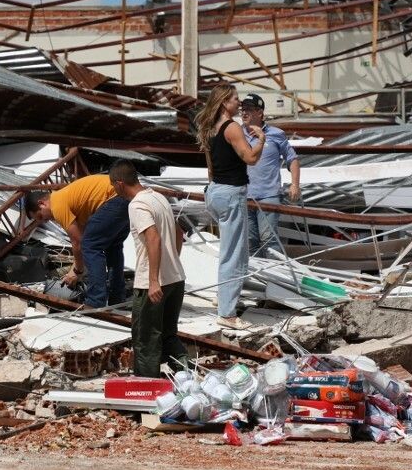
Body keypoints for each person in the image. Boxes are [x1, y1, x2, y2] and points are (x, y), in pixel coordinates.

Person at [195, 83, 265, 330]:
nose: (239, 103)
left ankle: (225, 299)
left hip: (215, 191)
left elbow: (211, 168)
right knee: (233, 256)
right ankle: (227, 313)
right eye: (235, 99)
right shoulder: (232, 127)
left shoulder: (210, 128)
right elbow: (251, 158)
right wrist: (261, 140)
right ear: (225, 102)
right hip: (232, 192)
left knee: (233, 253)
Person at [110, 160, 187, 378]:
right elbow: (179, 233)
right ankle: (188, 375)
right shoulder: (159, 197)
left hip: (151, 285)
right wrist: (171, 261)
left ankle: (147, 389)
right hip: (175, 279)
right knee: (168, 336)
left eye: (113, 187)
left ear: (119, 183)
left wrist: (154, 279)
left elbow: (152, 237)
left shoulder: (136, 205)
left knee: (145, 340)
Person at [25, 173, 130, 309]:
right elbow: (83, 237)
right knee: (113, 248)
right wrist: (76, 269)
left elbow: (79, 243)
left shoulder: (57, 204)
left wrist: (77, 271)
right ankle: (118, 300)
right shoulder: (70, 199)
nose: (44, 221)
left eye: (40, 216)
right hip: (126, 198)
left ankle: (95, 301)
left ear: (42, 203)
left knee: (91, 247)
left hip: (114, 199)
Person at [240, 94, 301, 259]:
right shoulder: (237, 134)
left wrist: (295, 184)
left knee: (269, 241)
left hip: (269, 195)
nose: (244, 113)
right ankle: (257, 279)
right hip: (244, 195)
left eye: (249, 110)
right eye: (243, 109)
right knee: (249, 241)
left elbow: (293, 159)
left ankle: (276, 278)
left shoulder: (276, 134)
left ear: (260, 113)